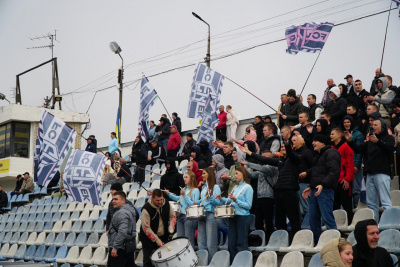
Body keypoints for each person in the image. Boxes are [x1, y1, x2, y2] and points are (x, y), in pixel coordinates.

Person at [344, 118, 395, 222]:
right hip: (370, 174)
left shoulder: (388, 138)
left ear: (383, 126)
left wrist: (378, 142)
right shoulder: (370, 141)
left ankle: (390, 224)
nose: (373, 126)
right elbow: (359, 149)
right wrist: (350, 140)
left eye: (376, 125)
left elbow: (389, 148)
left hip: (382, 173)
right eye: (373, 125)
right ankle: (374, 226)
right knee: (371, 204)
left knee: (385, 202)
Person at [302, 134, 340, 245]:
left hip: (325, 190)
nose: (313, 143)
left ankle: (336, 244)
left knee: (328, 219)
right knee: (313, 220)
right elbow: (318, 174)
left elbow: (333, 172)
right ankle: (318, 244)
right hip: (316, 191)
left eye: (315, 141)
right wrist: (311, 187)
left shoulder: (331, 152)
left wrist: (323, 185)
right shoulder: (319, 155)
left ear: (323, 143)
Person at [216, 166, 253, 263]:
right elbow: (230, 202)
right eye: (235, 173)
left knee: (241, 243)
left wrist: (236, 200)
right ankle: (234, 263)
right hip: (233, 216)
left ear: (243, 174)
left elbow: (248, 206)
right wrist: (222, 199)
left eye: (237, 173)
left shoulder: (248, 187)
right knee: (231, 244)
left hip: (243, 217)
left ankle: (244, 263)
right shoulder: (236, 187)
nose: (235, 175)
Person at [243, 149, 277, 242]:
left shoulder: (273, 168)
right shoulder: (261, 170)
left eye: (265, 157)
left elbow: (263, 168)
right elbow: (251, 175)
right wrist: (243, 169)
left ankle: (270, 240)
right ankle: (260, 240)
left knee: (268, 221)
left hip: (269, 197)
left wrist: (248, 164)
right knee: (258, 221)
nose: (262, 159)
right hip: (260, 198)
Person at [139, 189, 176, 267]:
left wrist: (171, 226)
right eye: (157, 200)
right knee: (148, 260)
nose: (160, 202)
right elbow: (146, 228)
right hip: (148, 238)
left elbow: (172, 216)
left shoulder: (166, 203)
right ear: (152, 198)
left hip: (163, 235)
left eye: (161, 199)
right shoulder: (146, 209)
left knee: (163, 259)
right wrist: (156, 239)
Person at [165, 171, 199, 246]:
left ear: (192, 178)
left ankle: (190, 256)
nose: (184, 179)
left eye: (186, 177)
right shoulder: (184, 189)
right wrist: (169, 194)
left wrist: (184, 195)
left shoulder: (195, 190)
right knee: (180, 238)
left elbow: (192, 204)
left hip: (189, 217)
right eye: (184, 177)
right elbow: (179, 198)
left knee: (188, 239)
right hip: (180, 216)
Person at [194, 167, 222, 263]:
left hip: (211, 215)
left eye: (204, 173)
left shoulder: (216, 187)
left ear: (209, 174)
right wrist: (196, 202)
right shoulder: (204, 187)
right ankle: (203, 262)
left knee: (211, 242)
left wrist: (210, 197)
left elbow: (218, 203)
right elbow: (203, 200)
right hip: (202, 214)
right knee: (201, 241)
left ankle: (212, 263)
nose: (202, 175)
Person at [330, 128, 354, 223]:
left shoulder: (346, 146)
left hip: (344, 181)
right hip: (334, 182)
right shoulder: (331, 148)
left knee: (347, 206)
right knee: (335, 206)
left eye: (332, 134)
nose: (330, 136)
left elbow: (350, 164)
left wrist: (347, 179)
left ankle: (350, 225)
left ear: (339, 135)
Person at [107, 191, 137, 267]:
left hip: (120, 249)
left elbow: (122, 232)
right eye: (113, 199)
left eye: (116, 199)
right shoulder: (128, 211)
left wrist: (115, 247)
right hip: (127, 247)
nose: (113, 201)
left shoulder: (122, 213)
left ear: (123, 201)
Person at [341, 116, 364, 208]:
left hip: (354, 164)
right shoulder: (342, 134)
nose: (346, 124)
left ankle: (357, 208)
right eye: (344, 122)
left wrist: (357, 165)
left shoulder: (358, 134)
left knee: (356, 189)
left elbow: (359, 151)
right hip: (345, 166)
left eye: (348, 122)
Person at [291, 135, 313, 217]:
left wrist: (306, 172)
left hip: (304, 183)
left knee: (306, 208)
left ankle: (310, 226)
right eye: (292, 140)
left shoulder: (306, 152)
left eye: (294, 140)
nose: (292, 142)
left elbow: (314, 166)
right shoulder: (293, 153)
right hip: (295, 183)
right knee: (298, 210)